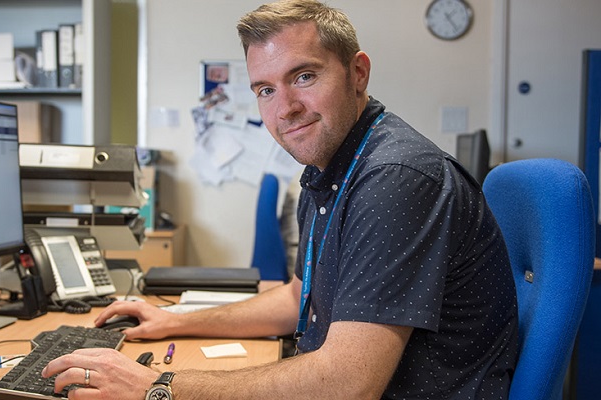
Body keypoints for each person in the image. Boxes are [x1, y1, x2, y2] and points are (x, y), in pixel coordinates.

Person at [42, 1, 519, 398]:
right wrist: (173, 321)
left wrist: (157, 384)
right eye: (266, 89)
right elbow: (297, 299)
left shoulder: (394, 178)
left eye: (305, 76)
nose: (284, 108)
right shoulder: (329, 170)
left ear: (358, 73)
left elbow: (347, 384)